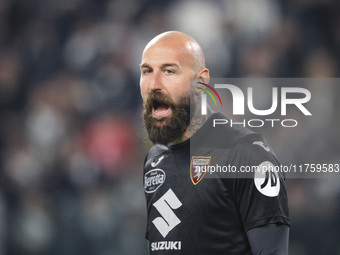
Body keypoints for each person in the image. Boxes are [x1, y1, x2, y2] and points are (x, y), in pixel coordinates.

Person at [140, 31, 289, 255]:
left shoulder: (246, 154)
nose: (154, 84)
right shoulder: (154, 160)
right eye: (147, 71)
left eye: (169, 71)